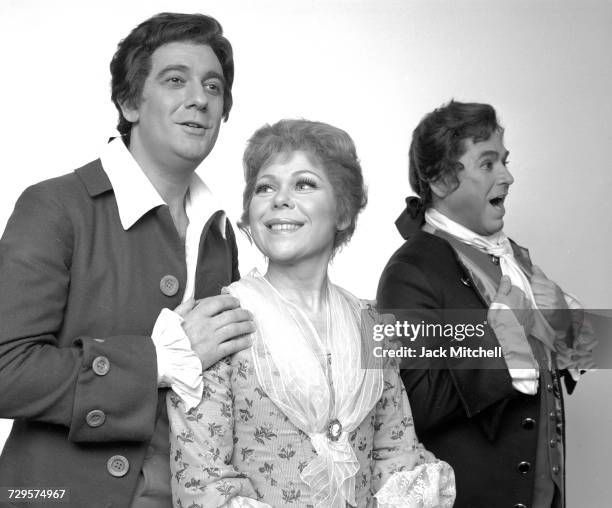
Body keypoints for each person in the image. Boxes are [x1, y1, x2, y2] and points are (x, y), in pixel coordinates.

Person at [0, 12, 254, 508]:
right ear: (128, 101)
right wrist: (159, 360)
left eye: (214, 86)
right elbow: (5, 367)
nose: (199, 98)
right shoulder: (55, 206)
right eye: (175, 80)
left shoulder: (222, 233)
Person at [167, 119, 456, 508]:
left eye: (304, 184)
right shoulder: (219, 321)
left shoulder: (371, 324)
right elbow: (203, 480)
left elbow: (396, 454)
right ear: (249, 215)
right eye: (265, 187)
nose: (279, 199)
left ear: (342, 211)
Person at [377, 101, 596, 508]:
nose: (508, 176)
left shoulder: (515, 260)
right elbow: (411, 405)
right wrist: (503, 340)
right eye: (488, 163)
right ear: (441, 180)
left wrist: (561, 322)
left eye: (505, 161)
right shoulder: (409, 272)